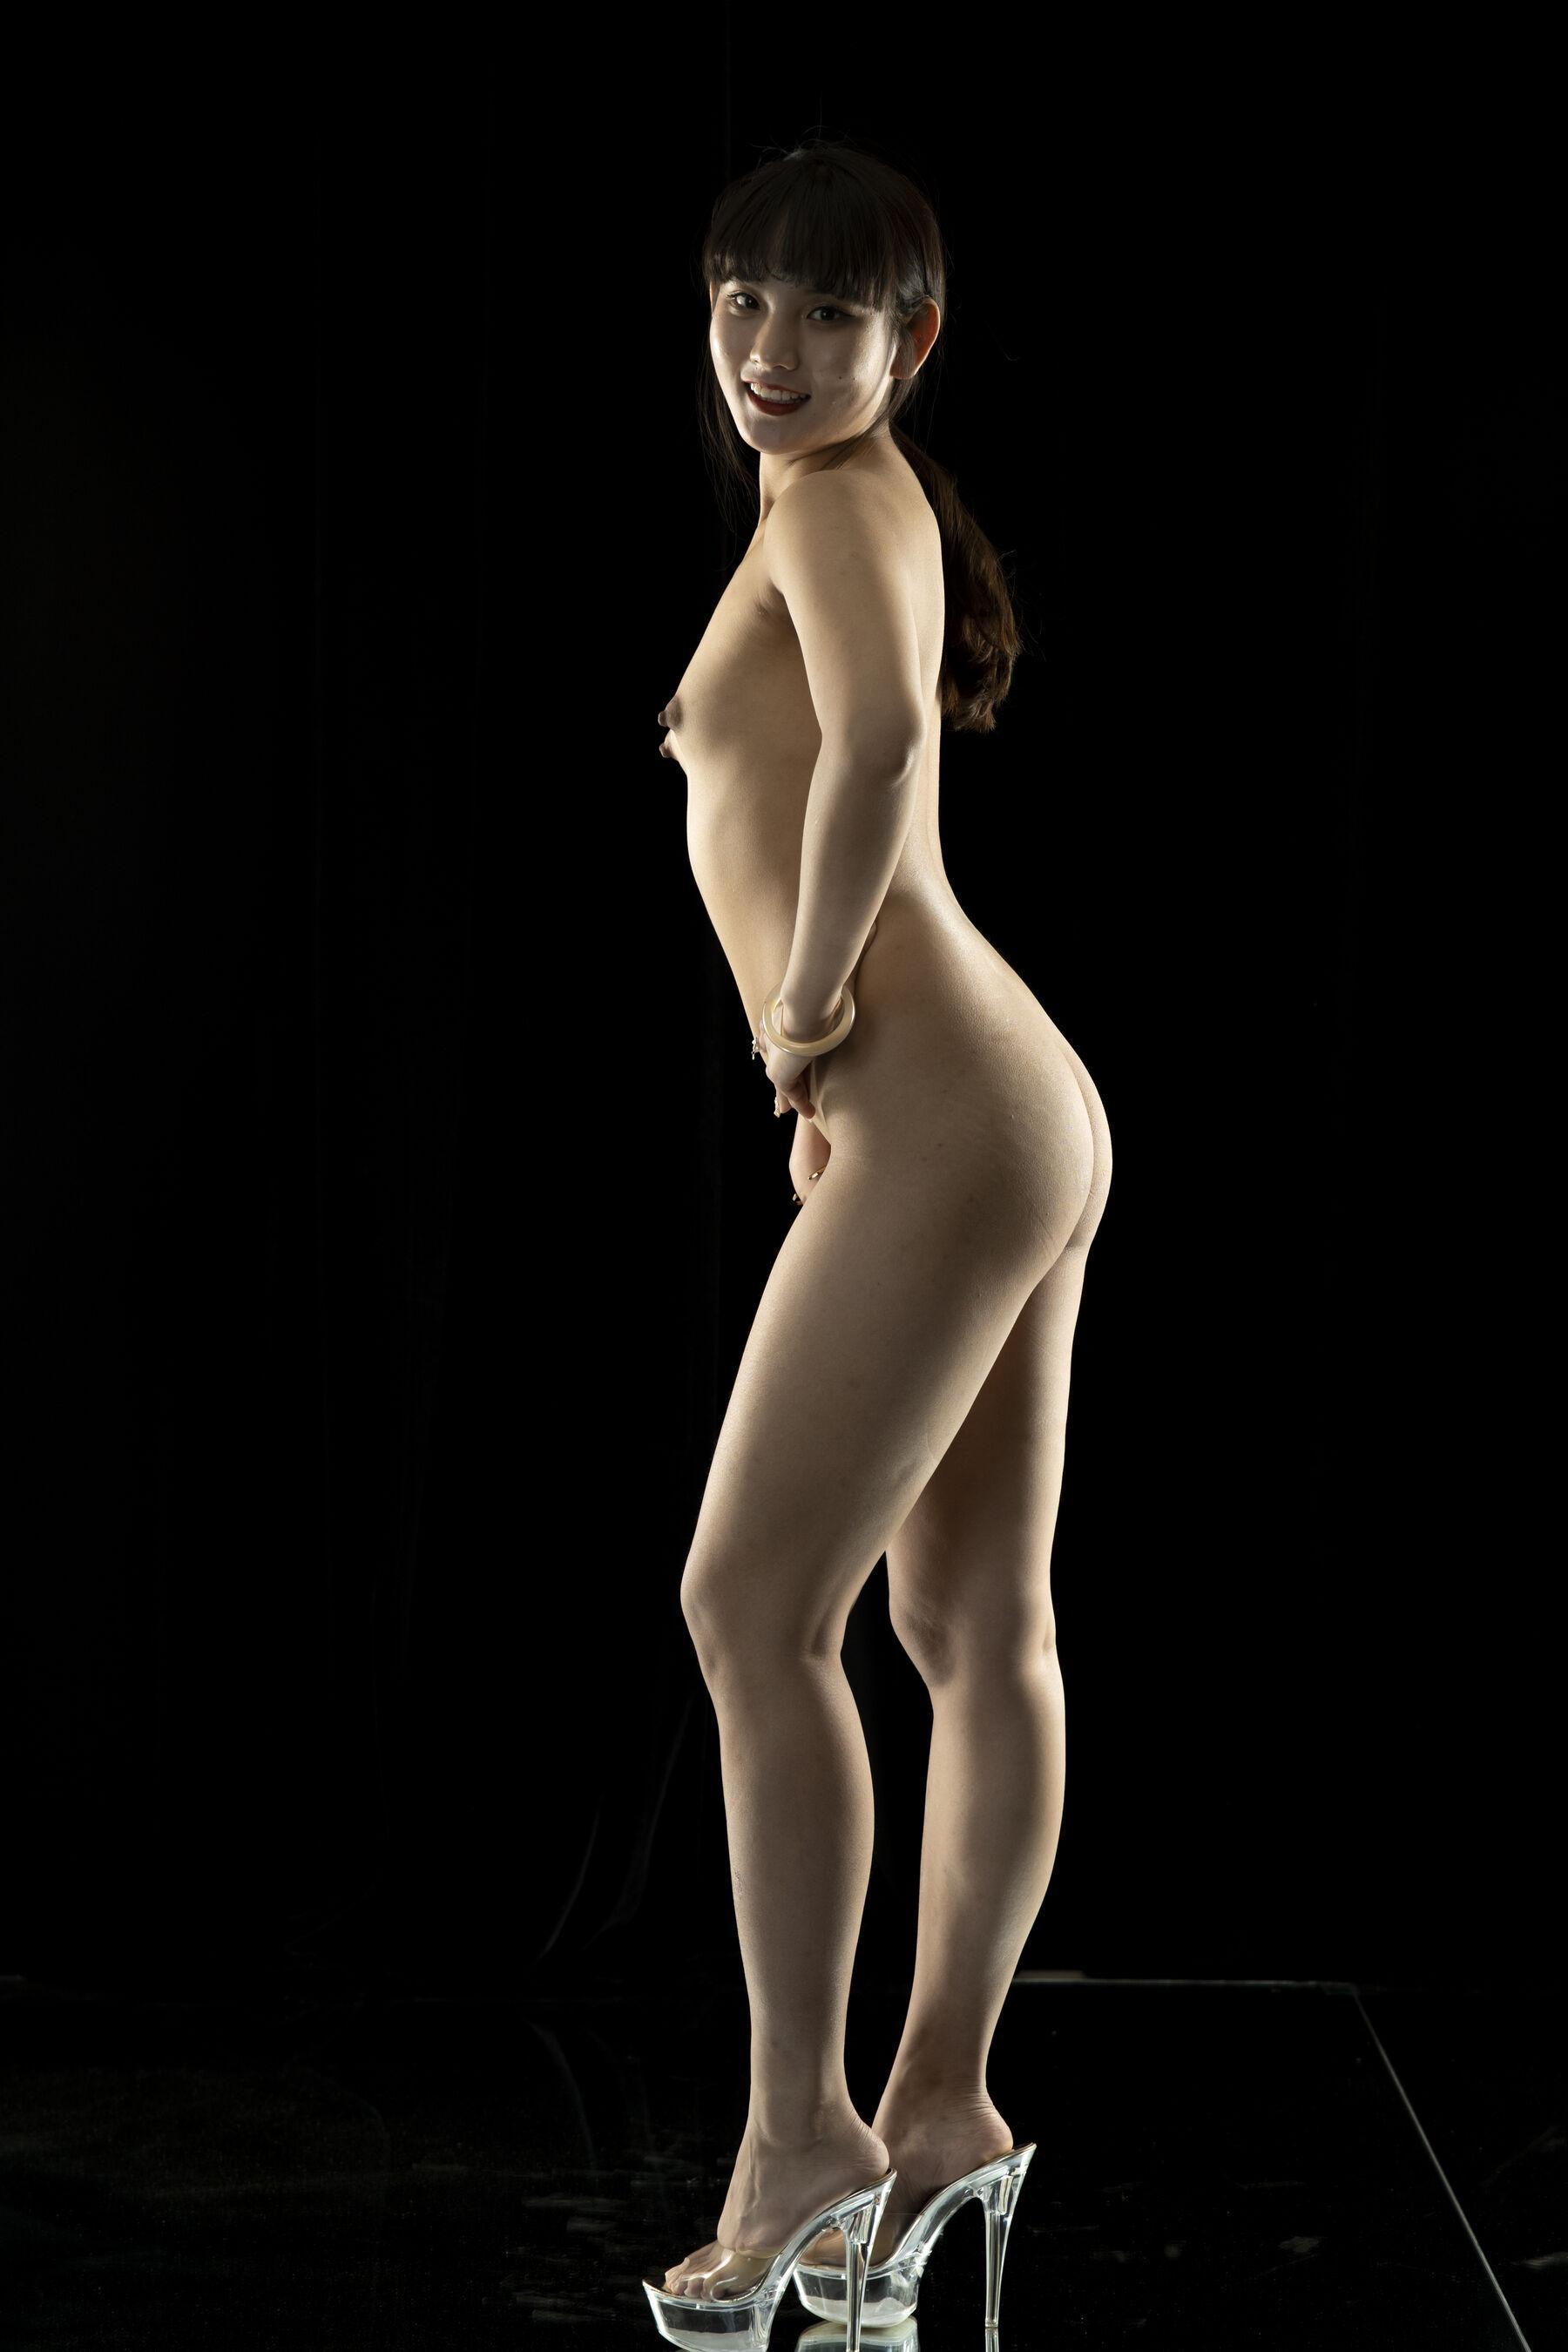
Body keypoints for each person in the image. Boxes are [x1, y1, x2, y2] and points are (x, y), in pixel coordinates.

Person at [646, 135, 1113, 2329]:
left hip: (935, 1102)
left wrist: (804, 1018)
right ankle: (943, 2116)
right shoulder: (852, 500)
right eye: (742, 298)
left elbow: (882, 747)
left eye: (827, 313)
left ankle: (803, 2145)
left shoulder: (838, 504)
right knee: (972, 1622)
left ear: (907, 341)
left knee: (754, 1607)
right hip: (1010, 1113)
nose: (771, 347)